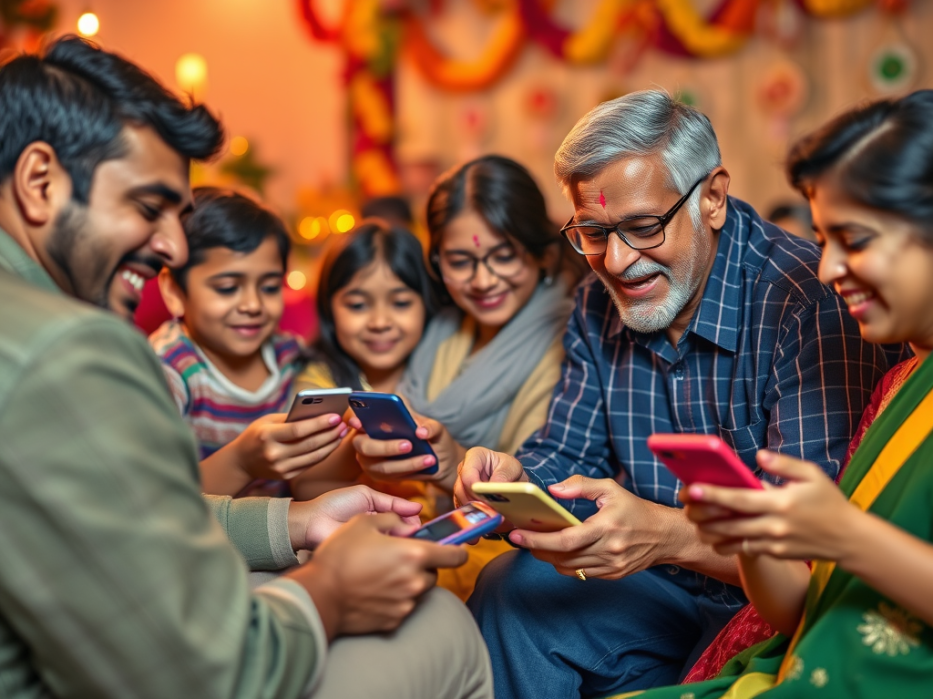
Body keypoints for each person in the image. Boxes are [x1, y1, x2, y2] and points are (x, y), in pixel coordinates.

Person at [0, 35, 492, 699]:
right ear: (39, 182)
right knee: (443, 627)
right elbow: (196, 673)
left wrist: (292, 526)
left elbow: (110, 531)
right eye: (147, 209)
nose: (171, 246)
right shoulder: (69, 351)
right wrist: (330, 592)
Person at [455, 90, 901, 699]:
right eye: (592, 232)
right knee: (516, 588)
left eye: (643, 227)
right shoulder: (597, 299)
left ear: (712, 197)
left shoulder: (808, 302)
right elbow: (569, 455)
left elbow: (808, 553)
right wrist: (515, 479)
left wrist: (672, 534)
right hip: (657, 593)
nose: (616, 261)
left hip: (767, 608)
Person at [614, 87, 933, 699]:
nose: (826, 268)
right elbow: (803, 616)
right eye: (823, 238)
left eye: (856, 240)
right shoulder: (902, 382)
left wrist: (845, 536)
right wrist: (750, 539)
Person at [351, 154, 578, 599]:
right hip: (420, 530)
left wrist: (455, 463)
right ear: (436, 261)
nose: (482, 280)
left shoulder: (574, 341)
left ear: (543, 256)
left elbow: (546, 495)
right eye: (461, 260)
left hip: (515, 563)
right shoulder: (439, 328)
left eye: (502, 256)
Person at [151, 187, 345, 497]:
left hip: (287, 533)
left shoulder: (289, 356)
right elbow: (159, 499)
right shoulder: (166, 370)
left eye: (269, 287)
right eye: (228, 288)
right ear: (174, 291)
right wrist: (242, 463)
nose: (253, 304)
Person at [288, 218, 437, 499]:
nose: (380, 322)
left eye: (401, 302)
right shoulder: (319, 385)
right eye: (358, 305)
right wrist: (358, 444)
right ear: (329, 308)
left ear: (426, 304)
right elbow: (304, 486)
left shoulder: (442, 367)